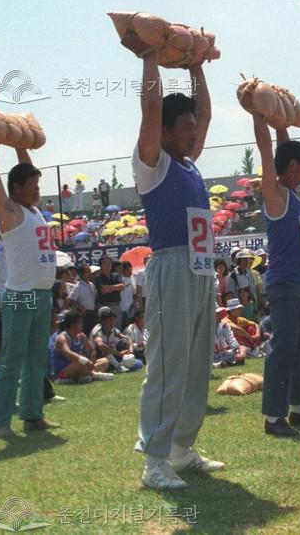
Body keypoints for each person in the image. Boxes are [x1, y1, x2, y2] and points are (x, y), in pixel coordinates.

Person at [130, 48, 223, 490]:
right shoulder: (153, 163)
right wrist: (149, 57)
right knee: (168, 364)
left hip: (201, 269)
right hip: (171, 265)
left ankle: (181, 448)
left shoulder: (189, 164)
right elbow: (151, 107)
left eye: (192, 127)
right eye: (184, 127)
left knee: (196, 365)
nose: (193, 132)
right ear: (164, 131)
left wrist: (196, 66)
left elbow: (205, 114)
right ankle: (155, 459)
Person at [251, 117, 300, 436]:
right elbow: (267, 152)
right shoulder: (276, 194)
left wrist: (280, 120)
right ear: (294, 167)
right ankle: (273, 417)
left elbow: (282, 148)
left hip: (298, 281)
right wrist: (258, 115)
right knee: (283, 347)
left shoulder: (293, 196)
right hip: (283, 282)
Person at [0, 139, 60, 439]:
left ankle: (32, 415)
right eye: (33, 185)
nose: (38, 190)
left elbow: (27, 166)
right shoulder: (10, 212)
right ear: (16, 188)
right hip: (21, 295)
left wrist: (19, 141)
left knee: (36, 361)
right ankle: (1, 423)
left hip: (42, 294)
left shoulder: (33, 211)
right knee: (12, 361)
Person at [49, 311, 113, 384]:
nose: (82, 324)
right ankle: (95, 375)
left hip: (80, 366)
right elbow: (67, 353)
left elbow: (91, 350)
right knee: (80, 362)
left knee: (105, 361)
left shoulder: (81, 336)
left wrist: (91, 361)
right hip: (62, 371)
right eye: (80, 322)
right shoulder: (62, 337)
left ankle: (83, 376)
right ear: (73, 324)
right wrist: (85, 361)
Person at [90, 306, 135, 372]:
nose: (112, 321)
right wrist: (119, 353)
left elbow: (128, 337)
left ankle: (126, 362)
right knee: (105, 349)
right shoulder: (97, 331)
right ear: (101, 320)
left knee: (124, 342)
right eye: (108, 319)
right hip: (97, 358)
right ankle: (118, 366)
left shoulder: (113, 329)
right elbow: (101, 345)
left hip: (111, 357)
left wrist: (131, 348)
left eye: (113, 319)